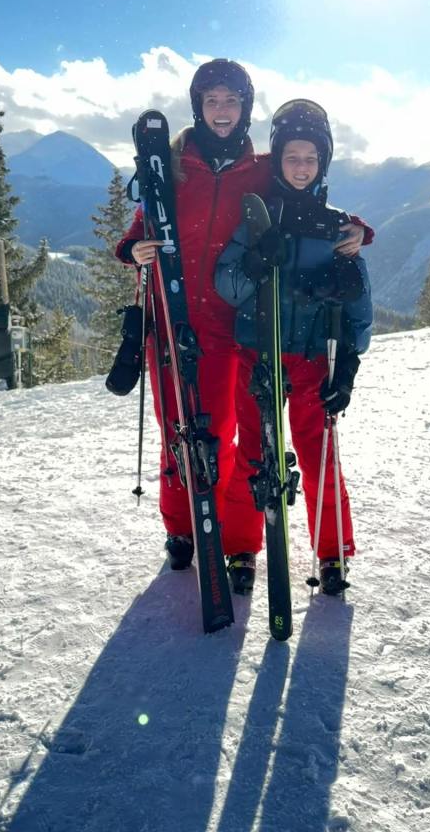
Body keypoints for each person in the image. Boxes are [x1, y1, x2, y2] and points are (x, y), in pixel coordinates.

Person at [116, 61, 372, 580]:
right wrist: (131, 248)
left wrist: (358, 232)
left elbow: (304, 203)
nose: (222, 111)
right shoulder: (174, 163)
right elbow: (145, 223)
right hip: (176, 313)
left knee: (226, 434)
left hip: (236, 325)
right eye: (212, 100)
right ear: (198, 106)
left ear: (246, 107)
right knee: (178, 432)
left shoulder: (260, 167)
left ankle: (234, 538)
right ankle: (181, 527)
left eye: (232, 100)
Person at [214, 99, 373, 596]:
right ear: (278, 160)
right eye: (291, 157)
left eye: (310, 158)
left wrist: (347, 365)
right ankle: (240, 546)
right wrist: (257, 265)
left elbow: (358, 309)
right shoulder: (258, 221)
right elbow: (226, 284)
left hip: (310, 361)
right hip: (257, 355)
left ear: (322, 163)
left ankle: (332, 553)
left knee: (319, 451)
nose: (301, 167)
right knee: (254, 453)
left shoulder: (339, 229)